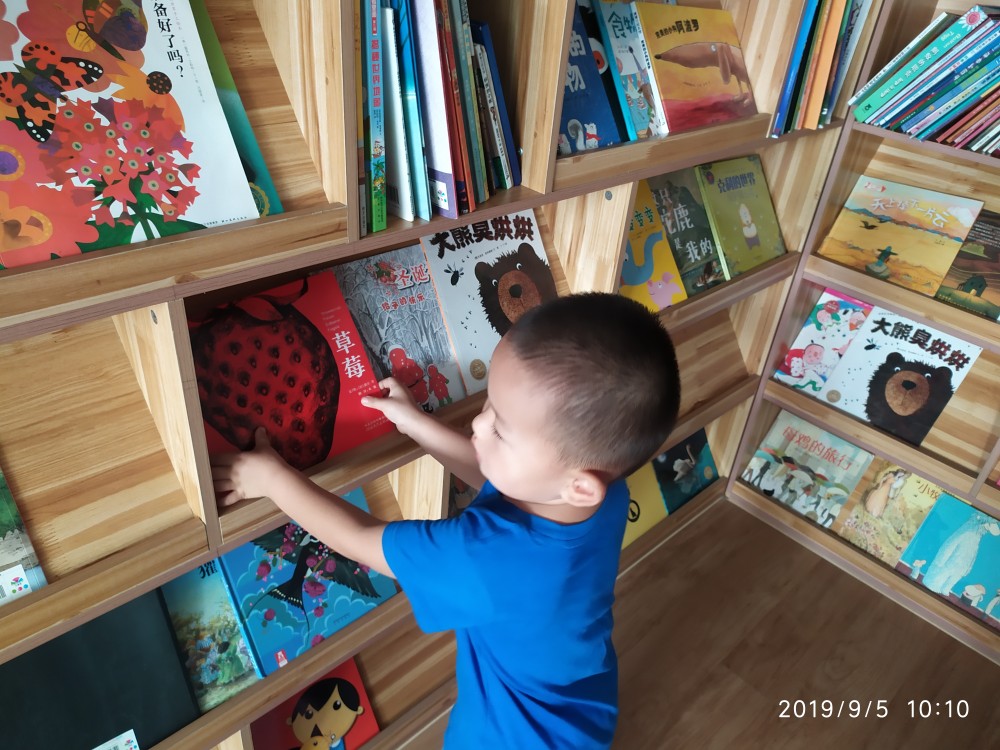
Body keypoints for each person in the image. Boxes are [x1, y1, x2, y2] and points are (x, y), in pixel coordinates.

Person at [212, 292, 681, 749]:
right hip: (584, 704)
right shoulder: (599, 490)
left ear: (578, 485)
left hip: (510, 736)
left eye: (500, 429)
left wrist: (272, 478)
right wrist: (415, 424)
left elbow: (359, 538)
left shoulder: (485, 558)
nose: (478, 424)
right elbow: (494, 476)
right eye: (489, 404)